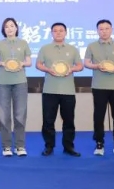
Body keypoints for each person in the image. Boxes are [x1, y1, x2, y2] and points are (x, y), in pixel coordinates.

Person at [84, 19, 114, 157]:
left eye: (107, 28)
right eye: (101, 29)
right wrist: (96, 66)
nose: (104, 31)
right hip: (99, 86)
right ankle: (99, 143)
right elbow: (86, 63)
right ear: (97, 31)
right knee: (99, 116)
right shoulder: (92, 46)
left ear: (111, 30)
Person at [36, 22, 84, 157]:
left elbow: (80, 66)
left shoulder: (72, 49)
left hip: (68, 90)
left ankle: (68, 146)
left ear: (66, 33)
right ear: (51, 33)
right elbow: (38, 64)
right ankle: (49, 146)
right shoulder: (45, 48)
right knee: (48, 121)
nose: (58, 33)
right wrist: (48, 69)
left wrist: (71, 69)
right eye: (55, 31)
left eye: (61, 30)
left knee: (69, 120)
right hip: (49, 90)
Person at [0, 17, 32, 157]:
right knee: (4, 116)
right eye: (6, 26)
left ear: (16, 28)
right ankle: (6, 146)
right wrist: (3, 63)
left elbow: (29, 61)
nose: (9, 28)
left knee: (20, 114)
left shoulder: (23, 43)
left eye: (12, 26)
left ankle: (20, 146)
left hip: (20, 82)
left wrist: (22, 64)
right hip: (3, 82)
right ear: (4, 29)